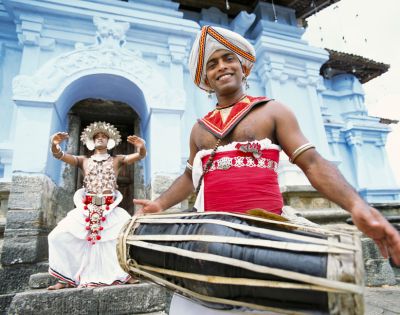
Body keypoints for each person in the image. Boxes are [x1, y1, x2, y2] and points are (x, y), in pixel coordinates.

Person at [133, 26, 400, 312]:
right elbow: (189, 177)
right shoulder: (199, 129)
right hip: (210, 240)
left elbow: (311, 162)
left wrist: (357, 205)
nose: (222, 67)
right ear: (206, 80)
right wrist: (159, 204)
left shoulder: (273, 111)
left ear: (244, 67)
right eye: (212, 64)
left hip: (269, 236)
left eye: (228, 59)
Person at [48, 121, 146, 289]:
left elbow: (139, 156)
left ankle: (125, 274)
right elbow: (61, 156)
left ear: (110, 141)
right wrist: (55, 145)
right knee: (58, 236)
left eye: (104, 136)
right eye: (97, 136)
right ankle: (65, 278)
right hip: (87, 208)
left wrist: (141, 147)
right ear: (92, 141)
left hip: (111, 208)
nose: (100, 138)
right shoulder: (83, 160)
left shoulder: (118, 159)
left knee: (122, 238)